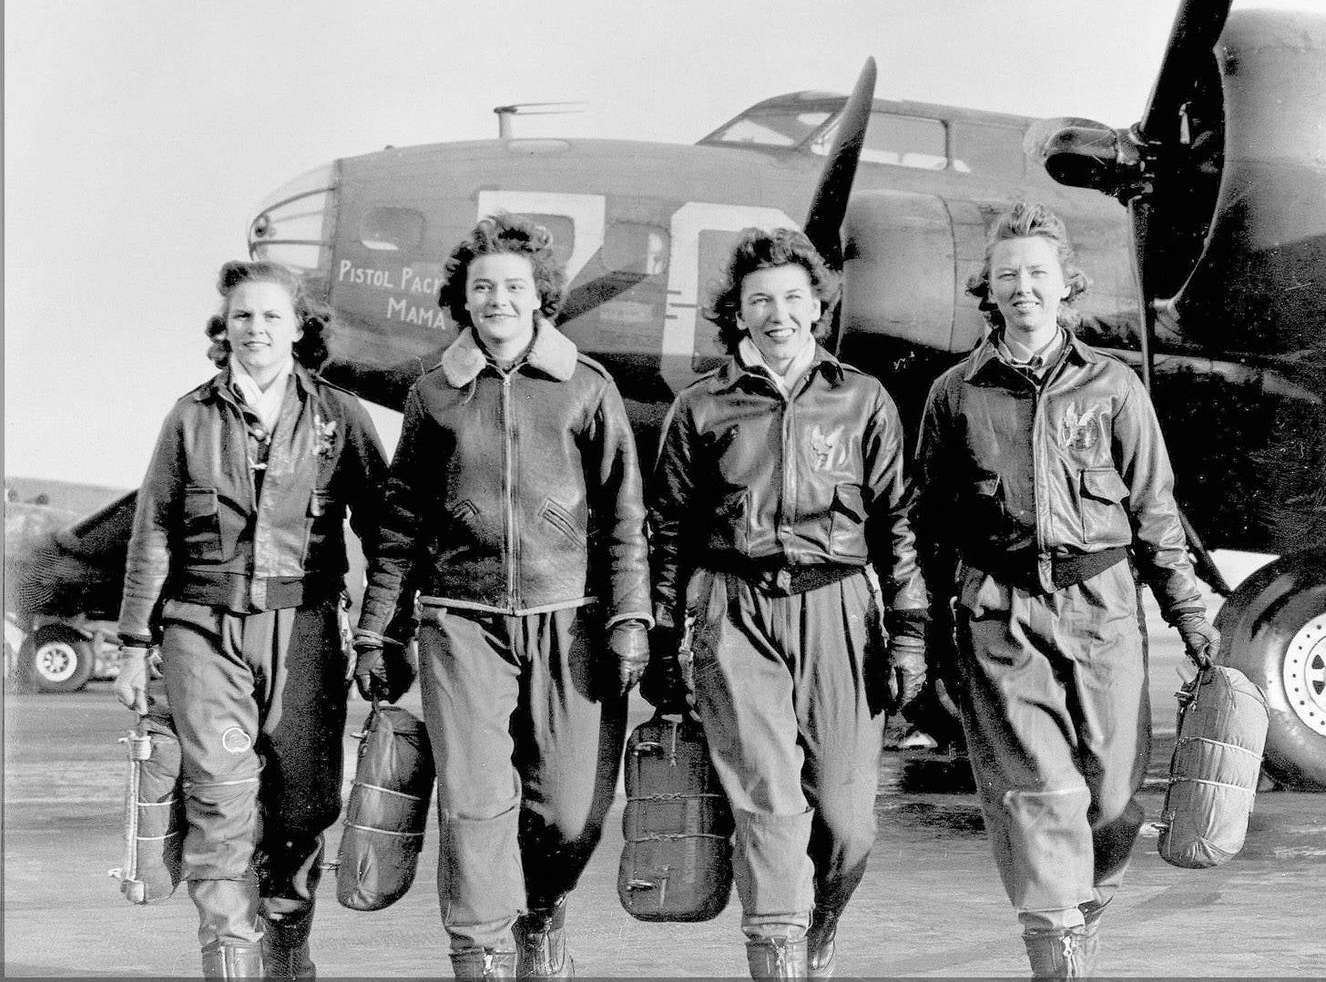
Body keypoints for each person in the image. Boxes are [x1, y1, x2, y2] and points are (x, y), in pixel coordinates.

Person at [910, 202, 1219, 979]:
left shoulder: (1113, 387)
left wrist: (1189, 616)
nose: (1023, 288)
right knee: (1036, 793)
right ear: (989, 288)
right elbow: (924, 524)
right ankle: (1057, 950)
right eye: (1007, 275)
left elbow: (1154, 510)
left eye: (1037, 274)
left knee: (1112, 803)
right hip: (999, 612)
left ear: (1065, 286)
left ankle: (1080, 903)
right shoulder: (954, 394)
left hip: (1101, 608)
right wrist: (915, 631)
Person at [353, 213, 652, 981]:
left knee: (571, 812)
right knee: (476, 803)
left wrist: (630, 619)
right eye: (482, 286)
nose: (497, 299)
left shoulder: (588, 388)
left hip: (571, 622)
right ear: (464, 297)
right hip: (461, 623)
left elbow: (623, 515)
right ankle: (479, 954)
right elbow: (398, 527)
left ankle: (543, 910)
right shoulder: (434, 395)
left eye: (513, 286)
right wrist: (376, 633)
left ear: (540, 296)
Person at [645, 227, 928, 980]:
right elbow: (666, 531)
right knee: (768, 809)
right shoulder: (700, 407)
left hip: (838, 610)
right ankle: (778, 962)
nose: (777, 313)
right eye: (758, 300)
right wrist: (664, 637)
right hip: (733, 611)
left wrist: (908, 634)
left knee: (846, 825)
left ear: (817, 306)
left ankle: (819, 930)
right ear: (737, 314)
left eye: (792, 297)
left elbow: (898, 520)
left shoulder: (861, 398)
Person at [114, 260, 389, 980]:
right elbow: (153, 533)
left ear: (299, 327)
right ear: (224, 327)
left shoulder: (340, 417)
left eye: (271, 315)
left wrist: (378, 634)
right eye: (242, 316)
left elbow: (389, 536)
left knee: (302, 809)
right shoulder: (190, 416)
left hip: (306, 633)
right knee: (222, 806)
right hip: (202, 630)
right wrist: (134, 641)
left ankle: (288, 941)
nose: (256, 328)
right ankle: (231, 962)